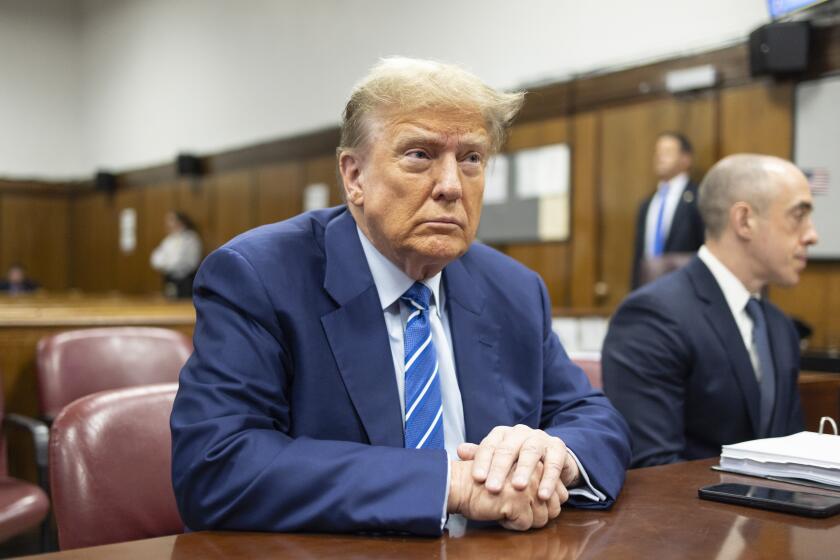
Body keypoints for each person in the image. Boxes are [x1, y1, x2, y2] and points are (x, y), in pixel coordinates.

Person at [170, 57, 631, 536]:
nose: (452, 186)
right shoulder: (259, 278)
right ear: (354, 178)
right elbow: (217, 466)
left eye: (471, 158)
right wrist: (449, 483)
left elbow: (593, 418)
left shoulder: (512, 288)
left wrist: (552, 458)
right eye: (419, 155)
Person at [603, 154, 818, 468]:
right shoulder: (652, 318)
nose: (812, 235)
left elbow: (791, 452)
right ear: (744, 221)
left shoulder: (779, 327)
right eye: (798, 216)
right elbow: (657, 470)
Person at [630, 132, 704, 288]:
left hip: (685, 289)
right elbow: (639, 257)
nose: (659, 158)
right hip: (648, 290)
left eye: (667, 152)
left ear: (686, 159)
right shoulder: (647, 204)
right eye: (657, 153)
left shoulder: (699, 198)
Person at [150, 211, 202, 298]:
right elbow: (156, 259)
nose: (168, 224)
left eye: (171, 220)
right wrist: (166, 264)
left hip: (185, 280)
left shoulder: (190, 239)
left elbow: (183, 262)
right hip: (169, 279)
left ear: (180, 221)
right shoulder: (168, 240)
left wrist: (167, 264)